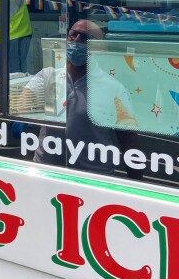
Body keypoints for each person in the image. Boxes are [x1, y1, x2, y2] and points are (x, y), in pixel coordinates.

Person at [18, 19, 142, 178]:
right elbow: (22, 106)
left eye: (85, 38)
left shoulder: (113, 88)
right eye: (73, 35)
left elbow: (128, 140)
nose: (77, 41)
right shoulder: (48, 76)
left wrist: (137, 181)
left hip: (93, 177)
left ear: (99, 48)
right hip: (47, 171)